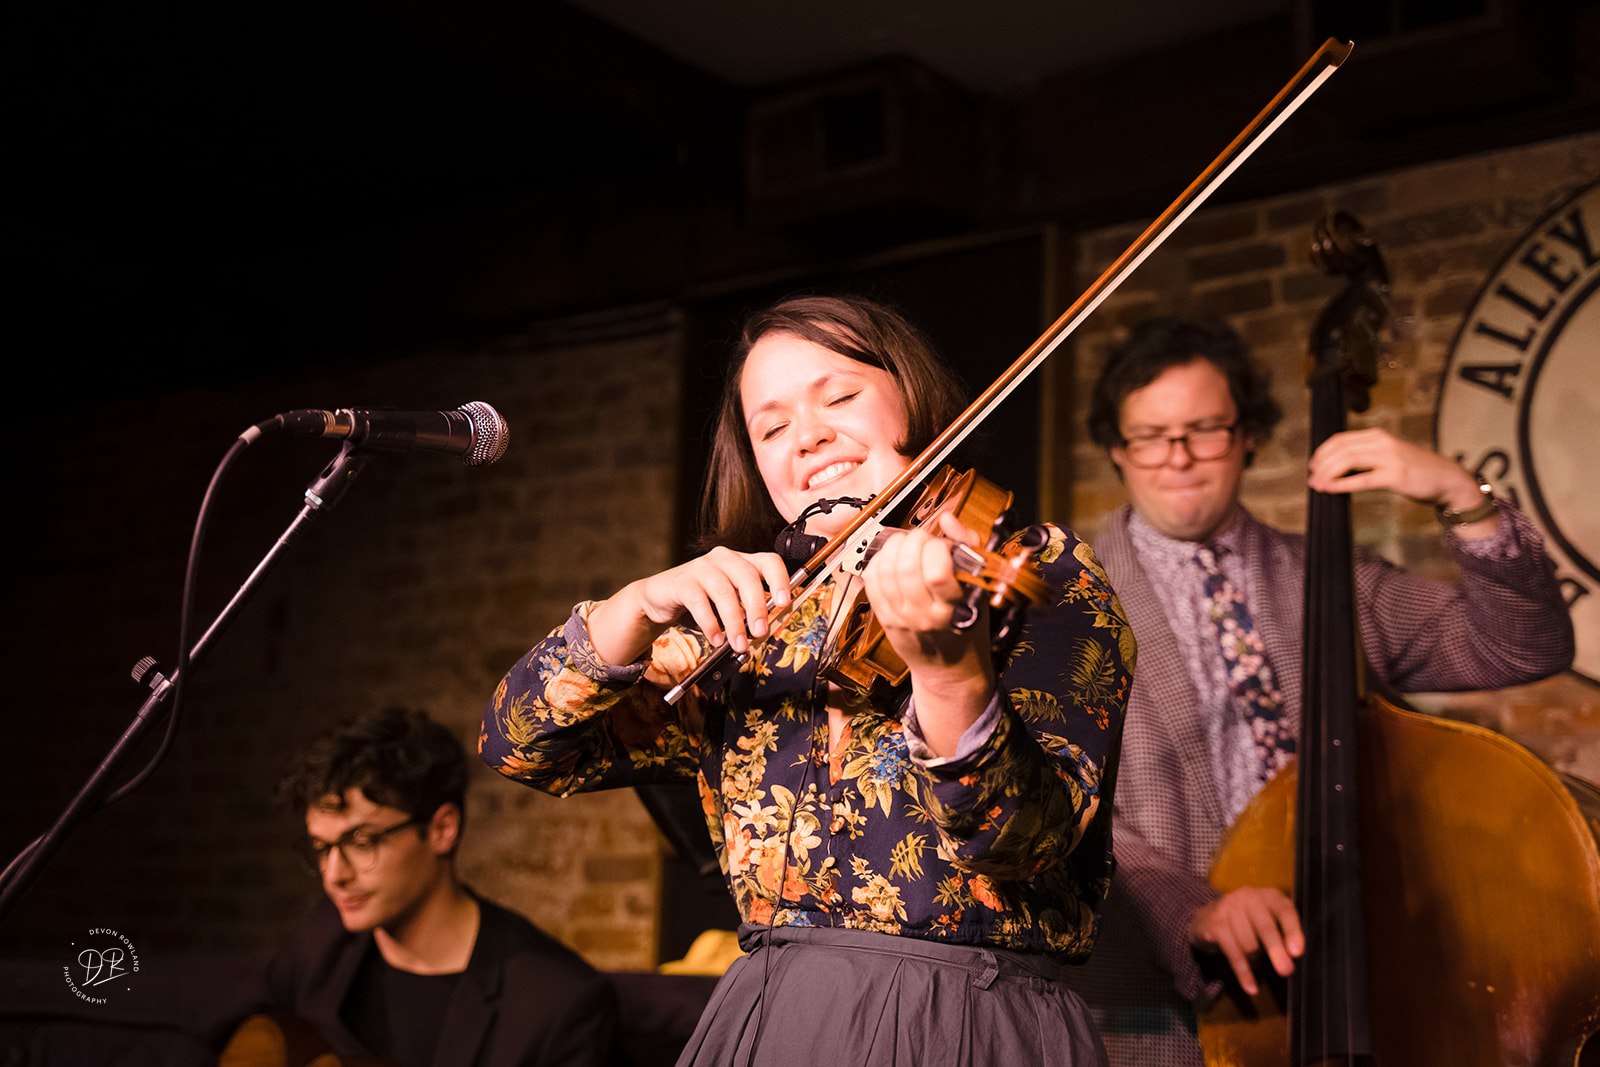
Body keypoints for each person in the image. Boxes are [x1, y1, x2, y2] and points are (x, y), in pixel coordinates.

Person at [480, 294, 1134, 1066]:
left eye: (840, 396)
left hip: (966, 1020)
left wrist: (949, 672)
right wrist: (636, 607)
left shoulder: (1033, 569)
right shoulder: (746, 632)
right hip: (770, 1014)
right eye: (772, 426)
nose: (809, 434)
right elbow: (520, 743)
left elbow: (1024, 842)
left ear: (911, 397)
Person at [1064, 315, 1575, 1067]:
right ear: (1117, 448)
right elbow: (1059, 801)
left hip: (1356, 964)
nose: (1178, 456)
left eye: (1205, 429)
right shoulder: (1062, 600)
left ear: (1247, 435)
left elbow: (1523, 644)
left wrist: (1463, 495)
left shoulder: (1333, 576)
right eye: (1150, 435)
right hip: (1152, 1010)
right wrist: (1192, 911)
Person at [245, 706, 621, 1067]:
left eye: (361, 842)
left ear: (443, 829)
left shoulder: (558, 1002)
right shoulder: (324, 940)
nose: (334, 875)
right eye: (321, 847)